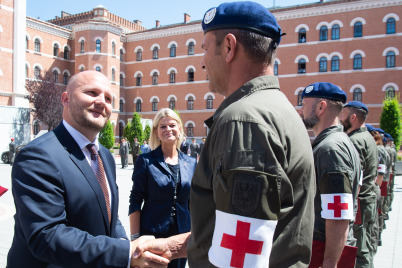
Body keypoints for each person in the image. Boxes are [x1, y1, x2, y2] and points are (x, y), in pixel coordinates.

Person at [134, 2, 316, 267]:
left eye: (205, 48)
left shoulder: (243, 121)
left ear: (229, 47)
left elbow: (240, 254)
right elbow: (235, 229)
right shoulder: (279, 108)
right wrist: (171, 247)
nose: (202, 61)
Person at [6, 71, 168, 268]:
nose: (102, 102)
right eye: (91, 93)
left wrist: (126, 244)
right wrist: (125, 254)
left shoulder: (105, 156)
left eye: (108, 98)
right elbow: (47, 235)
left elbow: (108, 213)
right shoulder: (38, 156)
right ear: (65, 99)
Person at [299, 82, 361, 268]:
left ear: (321, 107)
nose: (301, 111)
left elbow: (338, 213)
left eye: (304, 105)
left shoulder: (330, 149)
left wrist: (330, 262)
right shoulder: (339, 142)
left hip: (323, 249)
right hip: (326, 246)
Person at [129, 108, 197, 268]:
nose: (168, 129)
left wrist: (196, 233)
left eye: (172, 125)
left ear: (179, 129)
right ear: (157, 132)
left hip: (182, 236)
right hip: (153, 234)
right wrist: (135, 237)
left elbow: (194, 203)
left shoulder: (191, 162)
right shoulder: (146, 161)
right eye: (163, 126)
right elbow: (135, 200)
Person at [339, 101, 378, 268]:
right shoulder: (368, 137)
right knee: (367, 244)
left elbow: (357, 179)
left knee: (360, 251)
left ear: (353, 117)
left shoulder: (355, 141)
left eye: (343, 115)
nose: (340, 119)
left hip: (361, 202)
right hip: (369, 200)